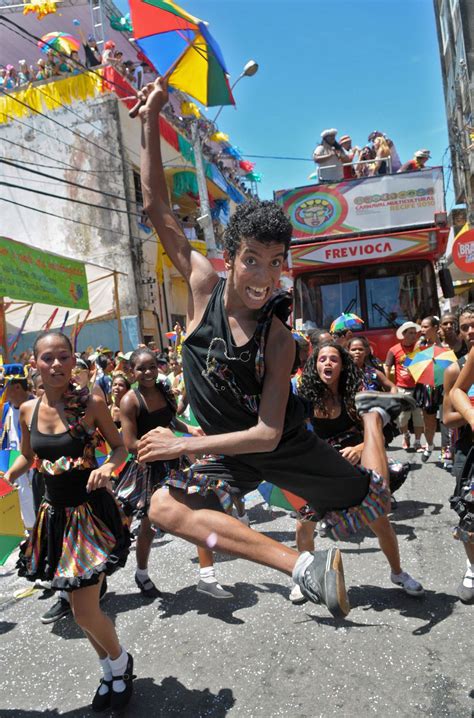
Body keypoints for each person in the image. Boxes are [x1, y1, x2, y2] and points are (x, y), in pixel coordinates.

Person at [134, 76, 423, 619]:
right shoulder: (200, 286)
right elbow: (156, 209)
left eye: (275, 262)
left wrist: (182, 445)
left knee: (371, 501)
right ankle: (301, 567)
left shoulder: (280, 339)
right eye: (251, 260)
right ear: (229, 255)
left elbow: (267, 435)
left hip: (283, 442)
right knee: (162, 508)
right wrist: (150, 118)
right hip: (226, 447)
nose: (264, 276)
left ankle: (373, 420)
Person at [3, 330, 135, 711]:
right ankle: (109, 671)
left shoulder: (91, 403)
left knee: (83, 609)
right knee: (81, 613)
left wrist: (109, 467)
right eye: (48, 358)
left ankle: (122, 663)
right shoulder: (26, 409)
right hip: (54, 519)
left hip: (90, 517)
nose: (57, 364)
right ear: (35, 365)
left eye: (64, 356)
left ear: (73, 360)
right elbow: (29, 458)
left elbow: (121, 447)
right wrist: (8, 475)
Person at [288, 342, 423, 603]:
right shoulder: (306, 396)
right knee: (303, 526)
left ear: (343, 365)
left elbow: (379, 436)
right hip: (320, 467)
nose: (328, 363)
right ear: (315, 365)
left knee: (380, 522)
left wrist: (359, 447)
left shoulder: (357, 395)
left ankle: (398, 573)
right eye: (322, 359)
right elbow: (299, 434)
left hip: (356, 466)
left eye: (334, 359)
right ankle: (304, 577)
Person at [116, 348, 230, 599]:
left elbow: (171, 421)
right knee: (148, 526)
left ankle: (207, 575)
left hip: (174, 462)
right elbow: (130, 444)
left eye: (152, 367)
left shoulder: (164, 389)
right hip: (148, 469)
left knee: (200, 511)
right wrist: (160, 444)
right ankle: (142, 574)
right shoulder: (130, 401)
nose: (147, 372)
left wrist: (189, 428)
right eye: (141, 368)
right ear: (131, 372)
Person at [442, 304, 474, 604]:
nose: (470, 331)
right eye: (465, 327)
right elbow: (447, 418)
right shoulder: (455, 369)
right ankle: (472, 567)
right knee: (469, 517)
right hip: (468, 451)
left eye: (473, 325)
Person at [1, 365, 35, 532]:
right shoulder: (6, 409)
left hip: (35, 474)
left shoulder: (35, 407)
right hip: (14, 473)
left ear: (15, 387)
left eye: (3, 386)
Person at [384, 322, 424, 451]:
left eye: (415, 333)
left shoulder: (419, 348)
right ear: (404, 334)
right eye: (410, 333)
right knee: (401, 418)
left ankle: (417, 442)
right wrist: (388, 385)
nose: (414, 335)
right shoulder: (394, 350)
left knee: (419, 416)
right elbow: (387, 366)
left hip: (419, 388)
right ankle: (406, 435)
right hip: (402, 389)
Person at [414, 316, 442, 462]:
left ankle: (447, 451)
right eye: (422, 327)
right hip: (426, 386)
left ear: (435, 327)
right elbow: (410, 364)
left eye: (425, 327)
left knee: (446, 421)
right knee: (429, 421)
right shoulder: (419, 344)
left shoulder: (445, 344)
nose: (422, 330)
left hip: (444, 384)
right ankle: (430, 445)